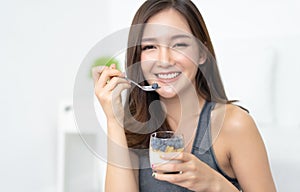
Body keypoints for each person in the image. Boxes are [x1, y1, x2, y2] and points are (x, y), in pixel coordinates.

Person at [92, 0, 276, 191]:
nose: (164, 60)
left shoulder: (235, 124)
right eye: (150, 47)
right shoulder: (134, 129)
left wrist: (215, 184)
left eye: (179, 44)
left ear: (202, 53)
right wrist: (113, 120)